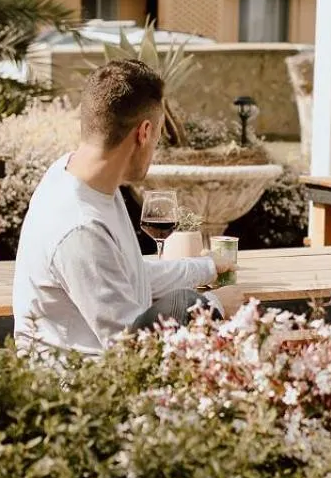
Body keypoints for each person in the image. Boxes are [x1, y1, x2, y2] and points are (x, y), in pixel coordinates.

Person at [13, 60, 242, 354]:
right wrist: (215, 306)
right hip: (76, 388)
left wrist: (207, 268)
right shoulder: (80, 226)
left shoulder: (80, 176)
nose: (155, 150)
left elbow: (128, 276)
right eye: (158, 137)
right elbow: (130, 344)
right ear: (144, 132)